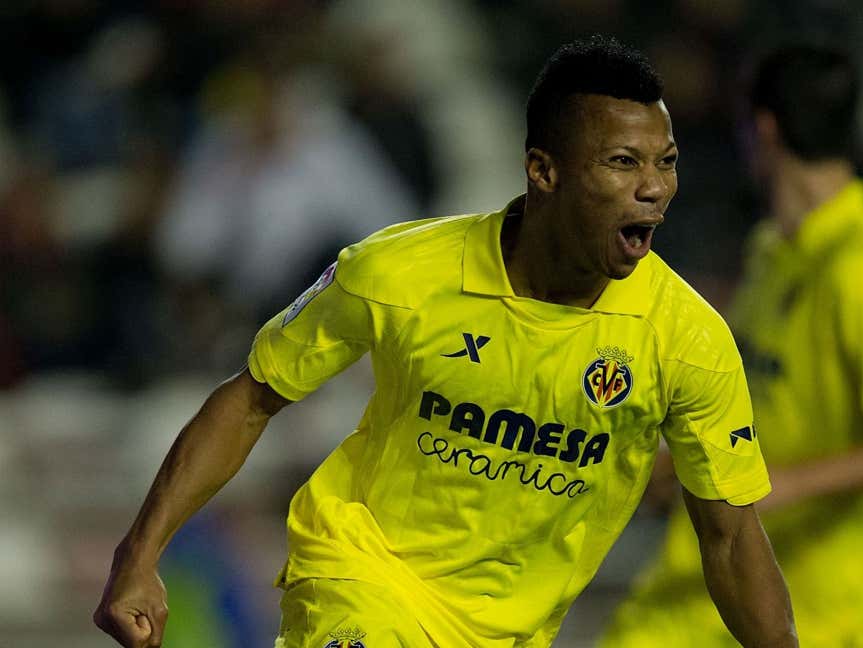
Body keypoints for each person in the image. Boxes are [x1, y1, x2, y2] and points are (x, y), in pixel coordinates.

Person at [94, 35, 798, 648]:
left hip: (508, 628)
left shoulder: (688, 339)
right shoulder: (398, 271)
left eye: (666, 161)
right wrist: (139, 554)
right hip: (362, 576)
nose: (654, 189)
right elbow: (251, 398)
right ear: (543, 170)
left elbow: (730, 537)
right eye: (622, 162)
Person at [602, 43, 863, 648]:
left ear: (762, 129)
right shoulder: (772, 251)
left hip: (806, 612)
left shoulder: (862, 265)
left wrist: (781, 483)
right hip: (700, 589)